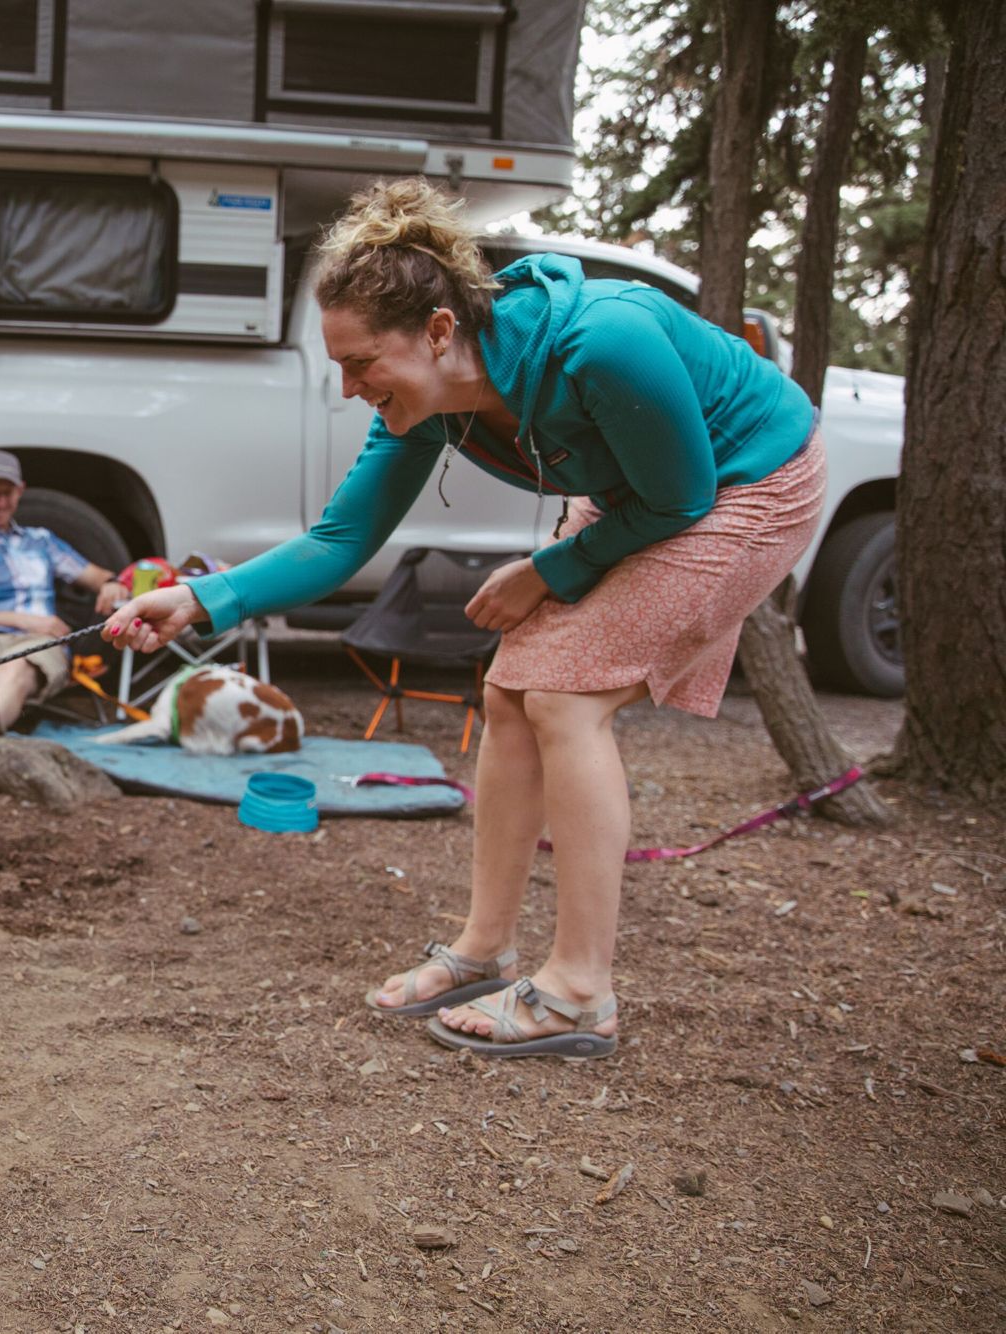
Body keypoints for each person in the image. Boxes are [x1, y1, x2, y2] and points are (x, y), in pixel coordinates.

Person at [103, 179, 824, 1060]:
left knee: (564, 697)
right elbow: (339, 539)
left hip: (749, 481)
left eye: (360, 362)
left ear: (439, 331)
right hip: (649, 493)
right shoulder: (429, 404)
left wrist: (550, 568)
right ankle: (486, 949)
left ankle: (581, 991)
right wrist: (198, 598)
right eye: (339, 366)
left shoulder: (605, 343)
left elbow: (683, 498)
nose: (347, 387)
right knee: (510, 690)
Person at [0, 450, 128, 771]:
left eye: (7, 493)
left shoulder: (41, 541)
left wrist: (112, 583)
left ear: (20, 491)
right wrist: (23, 620)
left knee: (15, 668)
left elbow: (96, 576)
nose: (1, 502)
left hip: (36, 644)